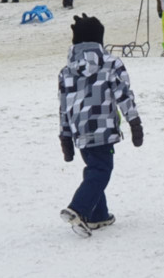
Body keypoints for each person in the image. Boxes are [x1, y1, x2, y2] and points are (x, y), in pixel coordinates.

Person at [58, 14, 143, 237]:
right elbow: (123, 95)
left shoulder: (66, 71)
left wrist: (65, 136)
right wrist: (134, 121)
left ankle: (98, 215)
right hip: (103, 127)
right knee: (101, 169)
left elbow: (64, 106)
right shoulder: (111, 63)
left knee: (94, 167)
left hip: (79, 130)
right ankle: (78, 208)